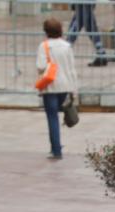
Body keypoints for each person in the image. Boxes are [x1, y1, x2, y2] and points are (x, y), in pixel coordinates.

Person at [35, 18, 79, 162]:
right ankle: (57, 145)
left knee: (52, 118)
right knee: (62, 114)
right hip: (65, 86)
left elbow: (41, 66)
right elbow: (72, 69)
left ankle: (56, 149)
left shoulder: (44, 46)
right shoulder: (67, 46)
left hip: (50, 86)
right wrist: (74, 89)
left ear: (46, 31)